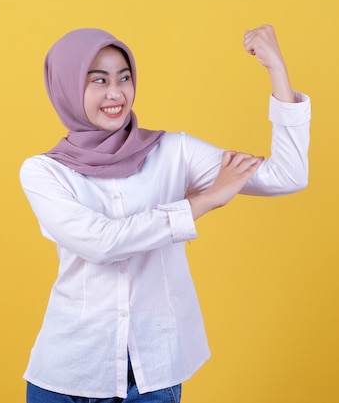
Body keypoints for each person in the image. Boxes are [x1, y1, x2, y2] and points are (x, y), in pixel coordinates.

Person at [20, 25, 310, 402]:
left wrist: (277, 71)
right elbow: (103, 243)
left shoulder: (174, 152)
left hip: (153, 374)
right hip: (68, 375)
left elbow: (286, 176)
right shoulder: (44, 172)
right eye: (99, 80)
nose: (115, 93)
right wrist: (202, 203)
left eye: (125, 78)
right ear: (68, 87)